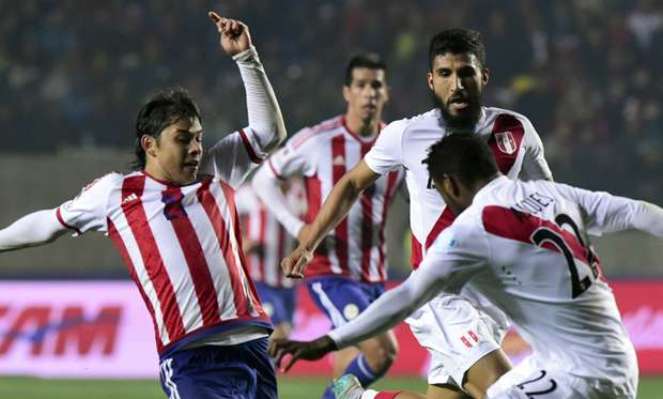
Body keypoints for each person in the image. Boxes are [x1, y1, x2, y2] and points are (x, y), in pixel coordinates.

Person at [0, 12, 286, 399]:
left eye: (199, 137)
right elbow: (49, 224)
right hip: (192, 354)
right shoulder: (118, 193)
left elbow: (270, 132)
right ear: (150, 144)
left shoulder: (218, 171)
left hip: (253, 343)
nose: (196, 148)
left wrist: (246, 57)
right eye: (183, 139)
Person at [270, 134, 663, 399]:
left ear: (451, 185)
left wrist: (327, 341)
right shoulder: (554, 193)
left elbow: (406, 296)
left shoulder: (475, 229)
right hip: (616, 365)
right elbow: (639, 213)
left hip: (579, 380)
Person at [279, 29, 553, 398]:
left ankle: (356, 397)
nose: (456, 84)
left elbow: (546, 203)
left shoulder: (516, 131)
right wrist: (308, 242)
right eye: (445, 74)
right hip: (440, 294)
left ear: (483, 77)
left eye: (466, 73)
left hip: (495, 297)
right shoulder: (407, 134)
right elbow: (351, 183)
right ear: (432, 80)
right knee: (508, 393)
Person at [251, 53, 404, 398]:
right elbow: (264, 179)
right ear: (347, 92)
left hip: (374, 277)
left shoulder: (397, 144)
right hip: (331, 273)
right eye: (361, 85)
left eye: (376, 85)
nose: (369, 93)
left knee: (347, 365)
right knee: (382, 352)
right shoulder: (318, 140)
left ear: (386, 94)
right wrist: (298, 228)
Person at [236, 177, 307, 342]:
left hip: (289, 281)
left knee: (284, 334)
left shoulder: (300, 192)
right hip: (260, 280)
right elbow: (223, 214)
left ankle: (263, 367)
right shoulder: (252, 192)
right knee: (277, 331)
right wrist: (241, 239)